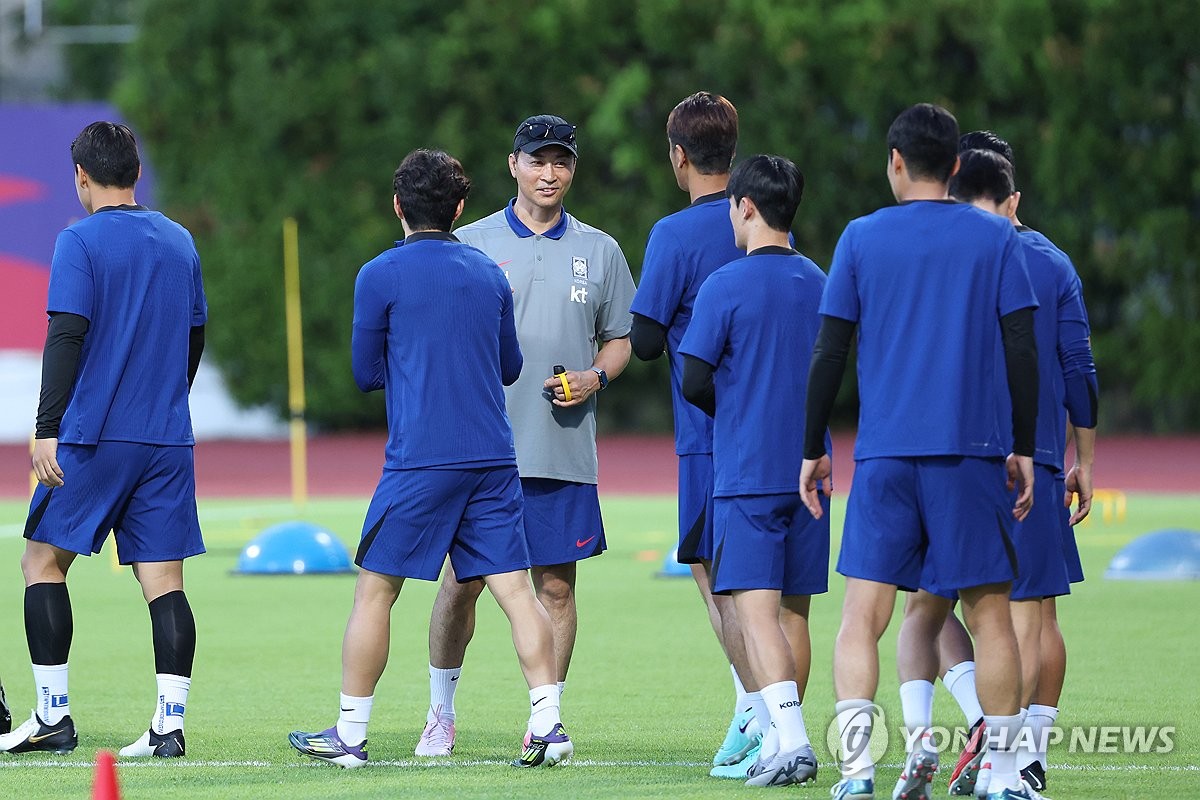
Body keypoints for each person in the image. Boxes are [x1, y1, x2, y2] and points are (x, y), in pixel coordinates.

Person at [288, 149, 572, 769]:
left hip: (420, 458)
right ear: (461, 208)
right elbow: (509, 368)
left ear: (397, 206)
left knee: (375, 592)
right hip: (493, 456)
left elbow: (364, 374)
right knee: (517, 593)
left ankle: (351, 735)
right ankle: (548, 724)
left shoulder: (379, 274)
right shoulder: (488, 272)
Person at [798, 103, 1042, 800]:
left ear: (896, 162)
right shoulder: (995, 239)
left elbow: (830, 351)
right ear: (958, 167)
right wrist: (1023, 445)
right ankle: (1001, 777)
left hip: (885, 456)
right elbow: (1022, 347)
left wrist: (813, 446)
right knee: (990, 616)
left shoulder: (860, 237)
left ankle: (855, 774)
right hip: (970, 452)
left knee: (861, 619)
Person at [414, 116, 635, 757]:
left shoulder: (600, 249)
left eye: (560, 162)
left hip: (562, 445)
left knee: (556, 586)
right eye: (537, 161)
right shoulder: (470, 242)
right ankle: (440, 714)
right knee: (461, 584)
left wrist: (595, 376)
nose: (549, 173)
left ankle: (545, 724)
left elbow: (621, 339)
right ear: (513, 165)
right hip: (479, 446)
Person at [0, 121, 207, 759]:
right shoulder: (180, 241)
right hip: (166, 438)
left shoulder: (79, 240)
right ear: (137, 173)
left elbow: (67, 335)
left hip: (94, 436)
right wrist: (170, 399)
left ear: (82, 177)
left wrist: (46, 430)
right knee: (164, 581)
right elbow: (194, 338)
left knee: (42, 562)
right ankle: (168, 727)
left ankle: (53, 718)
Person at [931, 137, 1098, 798]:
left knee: (925, 600)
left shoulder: (945, 259)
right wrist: (1084, 455)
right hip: (1039, 458)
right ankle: (1025, 758)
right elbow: (1078, 366)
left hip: (956, 454)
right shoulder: (1051, 261)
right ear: (1013, 196)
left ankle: (979, 718)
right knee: (1034, 617)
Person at [679, 154, 829, 787]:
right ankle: (787, 736)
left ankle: (786, 741)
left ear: (743, 206)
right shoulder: (821, 281)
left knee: (754, 613)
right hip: (811, 472)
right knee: (795, 614)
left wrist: (737, 405)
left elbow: (692, 376)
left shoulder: (724, 284)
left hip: (746, 469)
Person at [628, 91, 763, 776]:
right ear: (731, 151)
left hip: (707, 433)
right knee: (768, 583)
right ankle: (767, 714)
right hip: (771, 427)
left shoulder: (674, 236)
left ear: (678, 155)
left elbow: (647, 340)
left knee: (717, 576)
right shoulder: (763, 219)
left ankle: (757, 713)